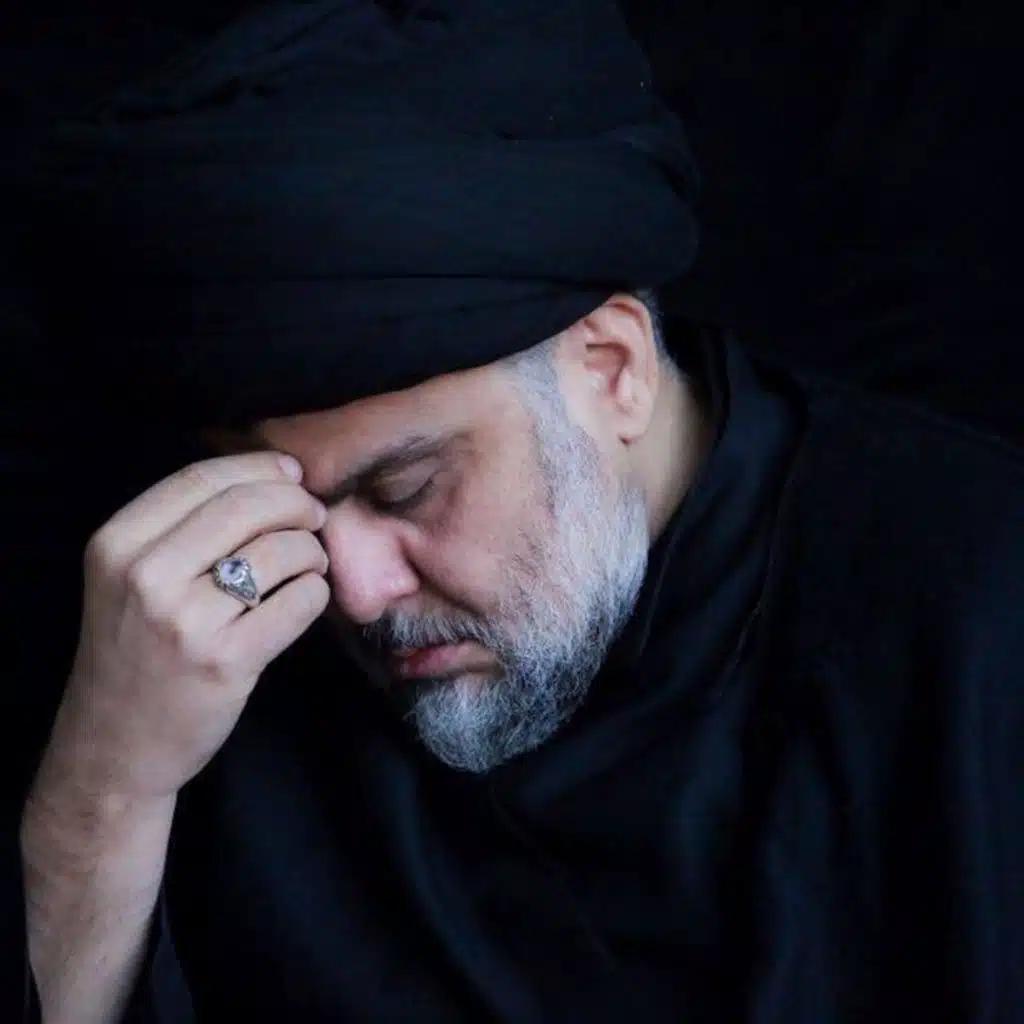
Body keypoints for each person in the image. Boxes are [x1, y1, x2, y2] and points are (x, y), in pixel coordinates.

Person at [7, 1, 1024, 1021]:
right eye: (286, 513)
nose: (354, 592)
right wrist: (108, 786)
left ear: (611, 368)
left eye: (404, 489)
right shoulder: (184, 644)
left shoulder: (979, 612)